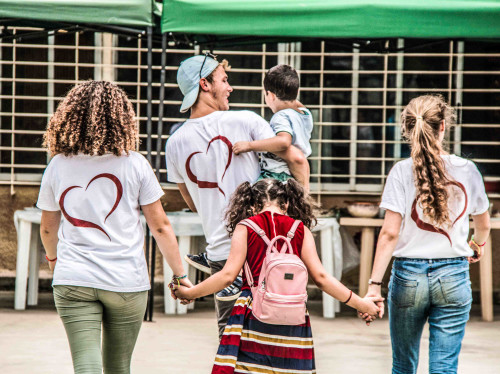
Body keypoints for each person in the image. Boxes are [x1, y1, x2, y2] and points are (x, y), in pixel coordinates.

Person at [37, 81, 192, 374]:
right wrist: (180, 274)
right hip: (126, 281)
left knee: (86, 365)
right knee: (119, 368)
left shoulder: (58, 166)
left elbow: (47, 227)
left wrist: (55, 261)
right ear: (123, 118)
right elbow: (160, 227)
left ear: (69, 116)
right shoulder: (135, 164)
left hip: (74, 279)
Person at [165, 53, 309, 339]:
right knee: (274, 345)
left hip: (221, 256)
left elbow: (192, 203)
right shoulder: (245, 121)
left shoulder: (175, 142)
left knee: (230, 342)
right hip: (267, 249)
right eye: (224, 80)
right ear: (205, 84)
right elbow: (296, 158)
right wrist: (303, 201)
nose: (230, 87)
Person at [173, 178, 382, 373]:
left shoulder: (245, 227)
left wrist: (191, 293)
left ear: (252, 206)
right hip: (293, 316)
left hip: (252, 314)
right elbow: (321, 278)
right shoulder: (300, 229)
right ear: (287, 205)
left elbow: (227, 276)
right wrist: (362, 304)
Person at [364, 95, 491, 374]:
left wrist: (374, 286)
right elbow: (483, 222)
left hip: (408, 275)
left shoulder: (400, 171)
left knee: (403, 366)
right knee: (444, 367)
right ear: (443, 126)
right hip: (454, 275)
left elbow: (388, 234)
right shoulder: (467, 170)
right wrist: (476, 243)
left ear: (408, 129)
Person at [233, 64, 313, 191]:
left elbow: (283, 141)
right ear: (296, 92)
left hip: (277, 175)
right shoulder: (305, 114)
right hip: (292, 177)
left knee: (247, 196)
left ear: (271, 95)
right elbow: (296, 102)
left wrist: (249, 145)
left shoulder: (280, 117)